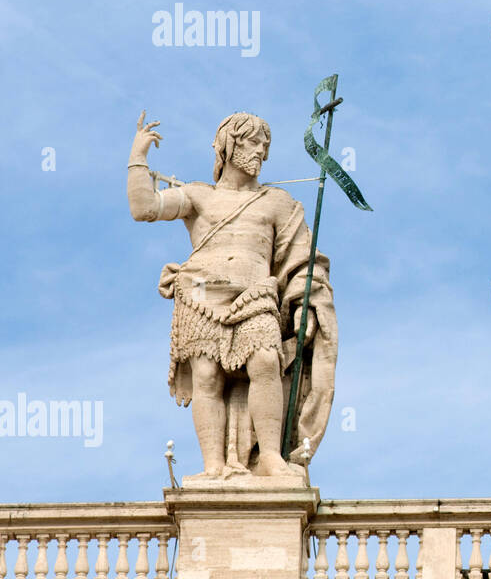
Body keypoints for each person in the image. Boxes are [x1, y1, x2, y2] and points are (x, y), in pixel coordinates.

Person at [127, 111, 338, 480]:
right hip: (200, 294)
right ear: (230, 144)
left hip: (255, 294)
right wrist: (138, 156)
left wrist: (307, 298)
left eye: (265, 145)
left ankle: (271, 457)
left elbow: (303, 259)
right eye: (254, 142)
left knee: (266, 364)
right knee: (207, 377)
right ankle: (213, 466)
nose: (262, 153)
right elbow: (143, 208)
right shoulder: (198, 196)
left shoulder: (279, 203)